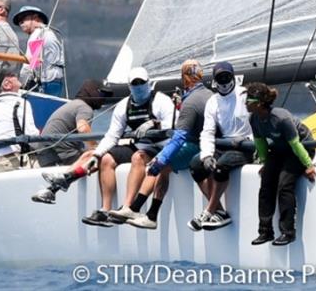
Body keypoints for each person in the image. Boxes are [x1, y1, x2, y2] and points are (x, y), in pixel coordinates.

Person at [108, 59, 211, 229]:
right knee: (162, 164)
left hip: (197, 146)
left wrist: (162, 158)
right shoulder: (209, 95)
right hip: (206, 144)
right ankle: (148, 214)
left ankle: (137, 209)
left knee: (160, 164)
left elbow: (179, 137)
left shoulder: (190, 102)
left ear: (184, 78)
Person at [76, 69, 176, 224]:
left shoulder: (162, 101)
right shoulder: (124, 106)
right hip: (139, 145)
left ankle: (128, 207)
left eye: (141, 82)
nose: (138, 86)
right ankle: (105, 211)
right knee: (106, 159)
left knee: (138, 157)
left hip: (162, 146)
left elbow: (171, 128)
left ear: (148, 83)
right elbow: (112, 136)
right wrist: (97, 155)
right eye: (135, 83)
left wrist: (154, 123)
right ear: (129, 87)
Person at [245, 81, 316, 246]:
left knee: (284, 185)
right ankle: (265, 231)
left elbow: (296, 144)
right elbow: (260, 143)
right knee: (266, 185)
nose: (245, 104)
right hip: (280, 150)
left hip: (301, 149)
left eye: (249, 101)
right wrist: (265, 163)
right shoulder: (254, 118)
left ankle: (288, 232)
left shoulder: (281, 118)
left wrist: (308, 165)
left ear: (260, 103)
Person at [187, 61, 253, 231]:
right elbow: (207, 132)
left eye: (227, 76)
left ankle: (208, 211)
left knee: (221, 166)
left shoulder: (245, 95)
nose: (224, 81)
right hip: (224, 145)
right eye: (220, 78)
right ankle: (220, 213)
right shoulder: (213, 102)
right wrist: (207, 155)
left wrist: (247, 139)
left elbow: (260, 122)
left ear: (233, 77)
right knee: (196, 165)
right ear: (215, 81)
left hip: (245, 146)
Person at [30, 79, 110, 205]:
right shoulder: (85, 107)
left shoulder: (73, 104)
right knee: (100, 158)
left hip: (45, 154)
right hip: (62, 152)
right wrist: (95, 147)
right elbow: (83, 128)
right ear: (91, 92)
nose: (104, 98)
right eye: (102, 94)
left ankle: (51, 189)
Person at [0, 67, 38, 172]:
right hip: (13, 159)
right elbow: (31, 133)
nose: (17, 76)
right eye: (13, 75)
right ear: (7, 84)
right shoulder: (20, 102)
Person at [12, 5, 65, 97]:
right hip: (58, 81)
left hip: (46, 83)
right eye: (19, 22)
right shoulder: (52, 33)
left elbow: (30, 64)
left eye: (23, 19)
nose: (21, 23)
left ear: (35, 18)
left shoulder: (37, 34)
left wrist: (20, 84)